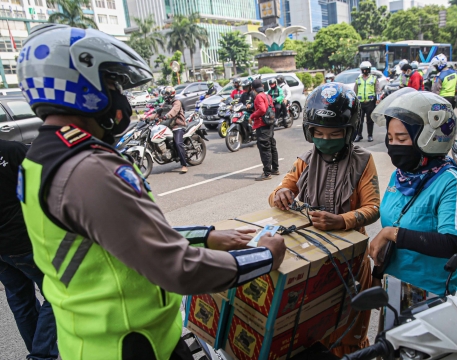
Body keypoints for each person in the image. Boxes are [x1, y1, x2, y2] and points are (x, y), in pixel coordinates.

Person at [17, 24, 286, 360]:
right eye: (112, 83)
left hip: (97, 341)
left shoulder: (42, 158)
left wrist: (207, 235)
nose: (120, 96)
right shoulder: (89, 169)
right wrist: (266, 257)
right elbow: (178, 269)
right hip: (131, 346)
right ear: (78, 84)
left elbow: (121, 238)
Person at [269, 83, 380, 356]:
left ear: (349, 132)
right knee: (314, 332)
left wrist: (340, 221)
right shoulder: (305, 160)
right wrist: (281, 193)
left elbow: (374, 207)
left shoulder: (363, 161)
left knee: (351, 332)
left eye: (334, 134)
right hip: (314, 261)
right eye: (318, 133)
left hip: (352, 262)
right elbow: (280, 191)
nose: (325, 139)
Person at [370, 88, 457, 297]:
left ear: (429, 139)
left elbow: (451, 243)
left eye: (401, 138)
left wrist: (390, 233)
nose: (393, 145)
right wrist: (377, 276)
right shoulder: (401, 176)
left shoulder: (450, 182)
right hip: (396, 290)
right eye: (390, 138)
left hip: (432, 294)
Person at [0, 139, 58, 360]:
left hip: (5, 250)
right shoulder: (11, 150)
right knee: (57, 294)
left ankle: (39, 352)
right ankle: (41, 355)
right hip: (22, 242)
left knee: (20, 301)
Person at [149, 86, 188, 174]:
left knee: (178, 143)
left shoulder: (177, 102)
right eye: (164, 94)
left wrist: (166, 116)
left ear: (171, 94)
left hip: (178, 125)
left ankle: (184, 165)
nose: (165, 95)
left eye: (166, 94)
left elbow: (173, 111)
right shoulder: (166, 103)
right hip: (168, 126)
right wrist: (148, 118)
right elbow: (158, 113)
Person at [251, 78, 279, 181]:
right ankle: (275, 169)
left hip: (262, 125)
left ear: (253, 89)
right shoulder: (267, 95)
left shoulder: (258, 96)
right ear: (262, 86)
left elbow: (262, 109)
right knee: (272, 145)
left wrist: (252, 116)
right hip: (270, 123)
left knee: (264, 148)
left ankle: (267, 173)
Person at [354, 61, 378, 142]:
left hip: (370, 102)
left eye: (366, 70)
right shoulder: (358, 79)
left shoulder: (373, 79)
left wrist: (377, 99)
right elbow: (355, 90)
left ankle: (370, 135)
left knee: (369, 120)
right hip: (360, 102)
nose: (365, 71)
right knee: (359, 120)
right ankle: (359, 135)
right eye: (363, 70)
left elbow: (377, 90)